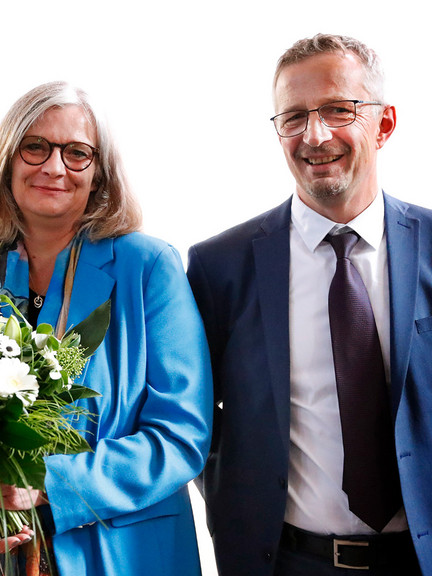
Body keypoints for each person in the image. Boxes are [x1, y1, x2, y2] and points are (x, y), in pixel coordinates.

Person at [0, 81, 213, 576]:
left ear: (99, 174)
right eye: (35, 147)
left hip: (122, 553)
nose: (53, 167)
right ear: (7, 160)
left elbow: (182, 434)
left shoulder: (148, 267)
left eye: (77, 153)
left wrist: (48, 483)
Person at [187, 33, 432, 576]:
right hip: (286, 561)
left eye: (338, 110)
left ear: (385, 124)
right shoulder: (219, 267)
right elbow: (192, 420)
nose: (314, 135)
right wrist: (237, 504)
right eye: (293, 117)